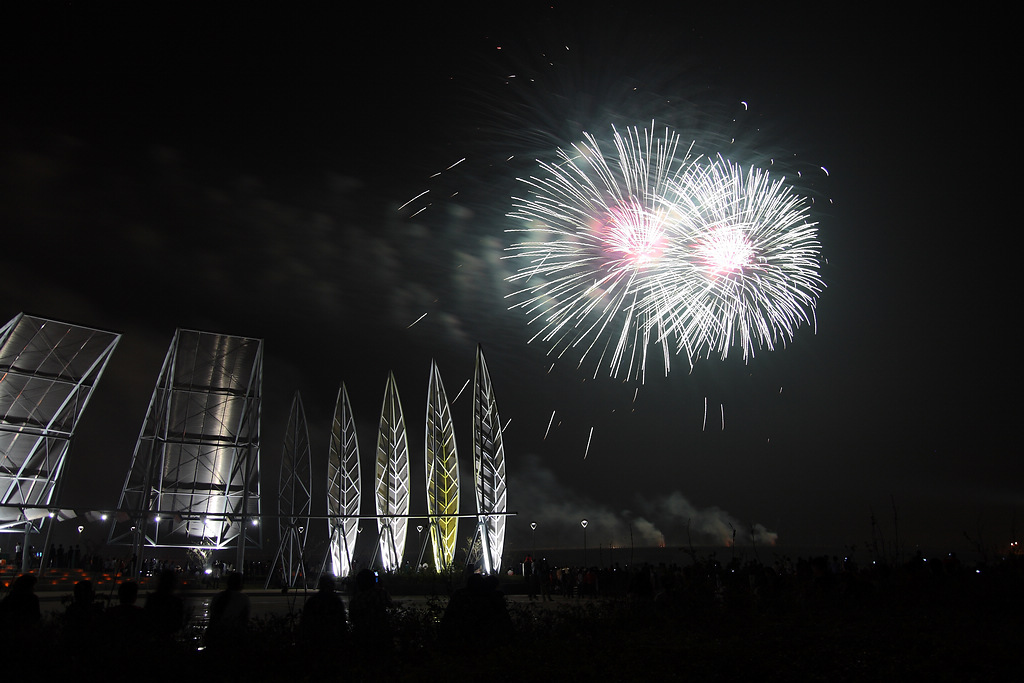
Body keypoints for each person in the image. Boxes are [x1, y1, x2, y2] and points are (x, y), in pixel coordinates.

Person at [205, 571, 251, 651]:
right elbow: (245, 620)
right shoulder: (243, 599)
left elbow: (213, 618)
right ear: (240, 584)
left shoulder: (218, 597)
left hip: (217, 636)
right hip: (233, 637)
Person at [300, 574, 348, 648]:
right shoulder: (335, 601)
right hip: (333, 640)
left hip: (316, 639)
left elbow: (305, 621)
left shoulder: (313, 601)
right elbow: (342, 621)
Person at [144, 569, 185, 645]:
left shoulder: (152, 599)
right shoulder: (176, 601)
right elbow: (178, 624)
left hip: (153, 640)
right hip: (168, 640)